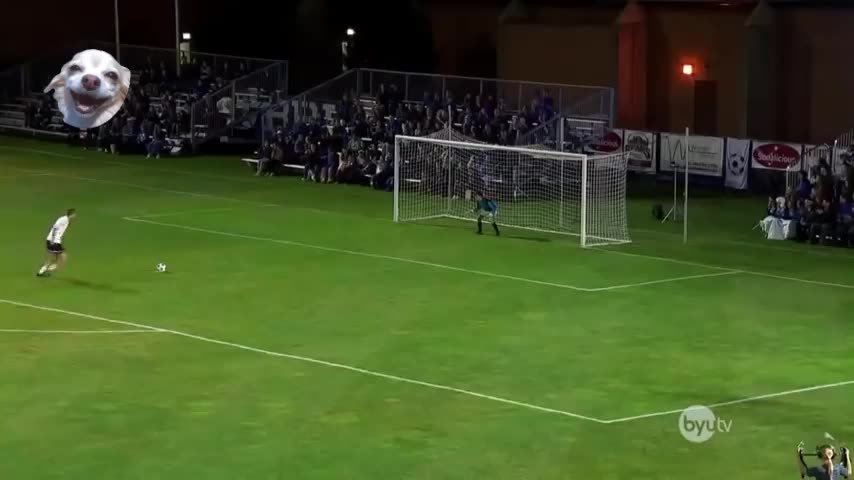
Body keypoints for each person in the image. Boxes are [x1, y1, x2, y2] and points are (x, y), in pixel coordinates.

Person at [37, 209, 76, 277]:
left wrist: (60, 240)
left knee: (55, 257)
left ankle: (43, 270)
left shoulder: (67, 220)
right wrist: (53, 239)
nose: (75, 215)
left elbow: (60, 232)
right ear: (71, 214)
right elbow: (55, 227)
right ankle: (47, 269)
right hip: (54, 241)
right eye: (74, 214)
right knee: (62, 257)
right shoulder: (64, 219)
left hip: (54, 240)